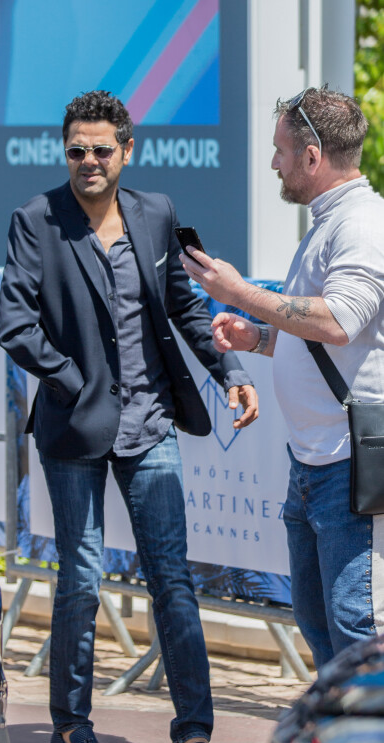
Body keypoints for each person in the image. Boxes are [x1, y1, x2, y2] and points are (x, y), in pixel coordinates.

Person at [0, 90, 258, 743]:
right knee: (80, 577)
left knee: (171, 581)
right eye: (76, 149)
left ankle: (195, 737)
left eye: (101, 150)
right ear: (65, 151)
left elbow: (184, 306)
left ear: (127, 150)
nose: (88, 161)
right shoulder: (34, 219)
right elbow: (15, 324)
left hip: (151, 429)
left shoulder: (156, 213)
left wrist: (228, 371)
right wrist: (72, 380)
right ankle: (71, 725)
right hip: (73, 427)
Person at [179, 86, 384, 671]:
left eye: (280, 151)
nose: (274, 163)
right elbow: (325, 335)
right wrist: (259, 338)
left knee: (357, 631)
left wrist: (239, 293)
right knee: (323, 627)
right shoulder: (331, 223)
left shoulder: (362, 225)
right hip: (316, 464)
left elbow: (342, 321)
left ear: (313, 156)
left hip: (349, 466)